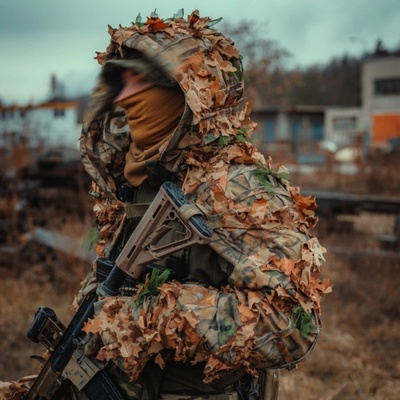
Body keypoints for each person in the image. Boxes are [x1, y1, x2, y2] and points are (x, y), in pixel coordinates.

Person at [0, 9, 330, 400]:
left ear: (186, 89)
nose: (124, 98)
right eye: (121, 82)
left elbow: (292, 323)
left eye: (140, 81)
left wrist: (151, 315)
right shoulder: (137, 181)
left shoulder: (238, 187)